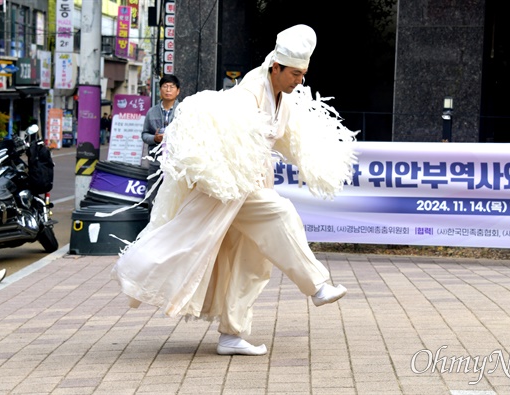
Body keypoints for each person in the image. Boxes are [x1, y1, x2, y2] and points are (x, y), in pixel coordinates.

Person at [111, 25, 357, 356]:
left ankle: (232, 333)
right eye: (295, 73)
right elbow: (224, 135)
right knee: (280, 214)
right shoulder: (249, 92)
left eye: (303, 74)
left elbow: (288, 137)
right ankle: (317, 285)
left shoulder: (283, 97)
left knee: (252, 261)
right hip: (231, 185)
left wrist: (315, 160)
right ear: (276, 67)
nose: (300, 80)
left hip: (253, 182)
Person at [141, 74, 181, 208]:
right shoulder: (151, 112)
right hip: (156, 162)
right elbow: (144, 135)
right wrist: (154, 138)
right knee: (154, 197)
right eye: (165, 86)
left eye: (171, 87)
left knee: (176, 199)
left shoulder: (184, 111)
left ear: (178, 91)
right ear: (160, 90)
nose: (168, 90)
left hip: (177, 162)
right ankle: (152, 226)